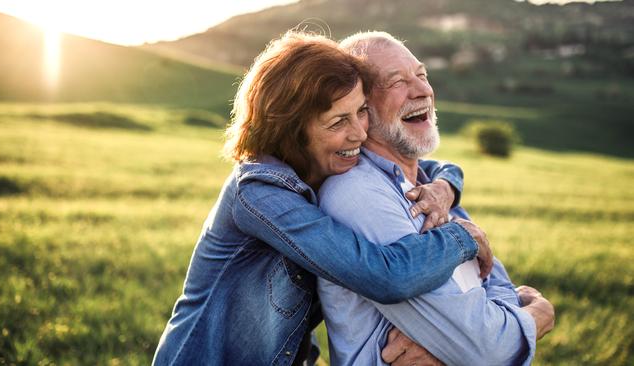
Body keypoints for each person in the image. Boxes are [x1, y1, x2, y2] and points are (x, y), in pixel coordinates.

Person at [151, 30, 494, 366]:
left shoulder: (326, 165)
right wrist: (463, 236)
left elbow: (433, 166)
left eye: (360, 111)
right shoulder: (258, 193)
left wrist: (446, 186)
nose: (359, 133)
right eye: (337, 122)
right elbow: (385, 276)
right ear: (292, 130)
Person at [317, 31, 555, 366]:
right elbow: (487, 350)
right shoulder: (357, 196)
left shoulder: (436, 192)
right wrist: (539, 315)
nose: (423, 90)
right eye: (398, 81)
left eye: (422, 75)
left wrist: (484, 328)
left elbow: (492, 283)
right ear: (361, 108)